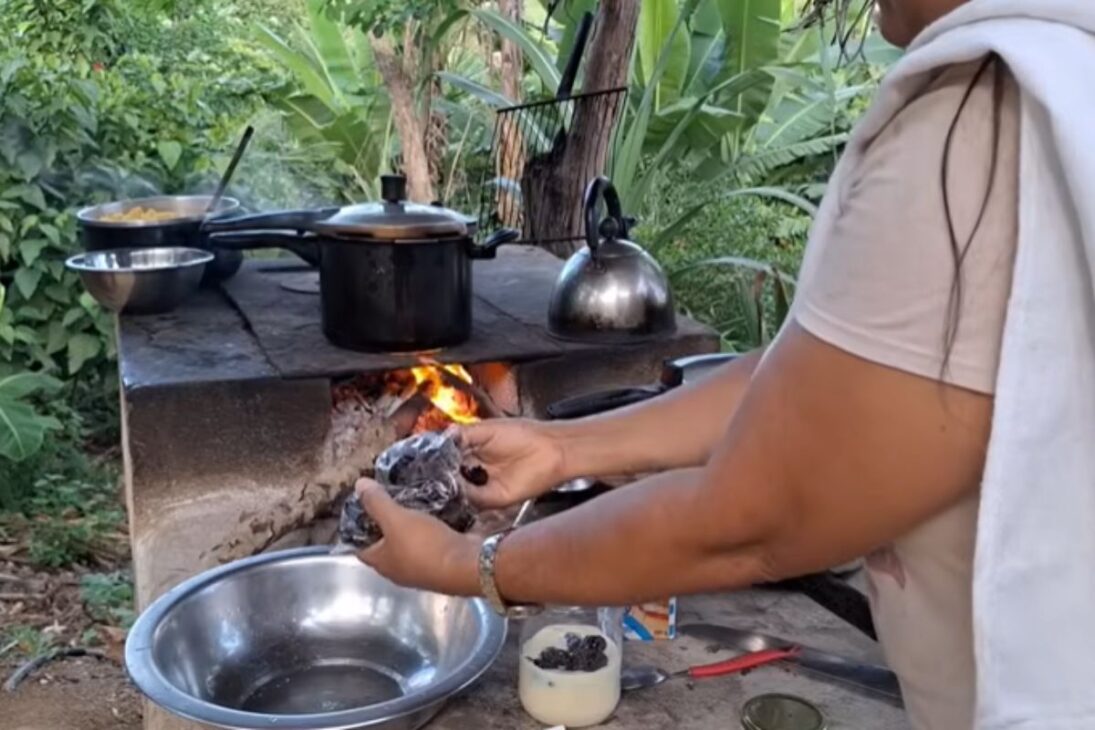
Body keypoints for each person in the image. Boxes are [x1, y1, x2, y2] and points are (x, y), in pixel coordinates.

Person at [351, 1, 1095, 728]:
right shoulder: (1063, 73)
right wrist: (564, 447)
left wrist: (469, 565)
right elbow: (817, 376)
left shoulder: (976, 119)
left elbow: (748, 520)